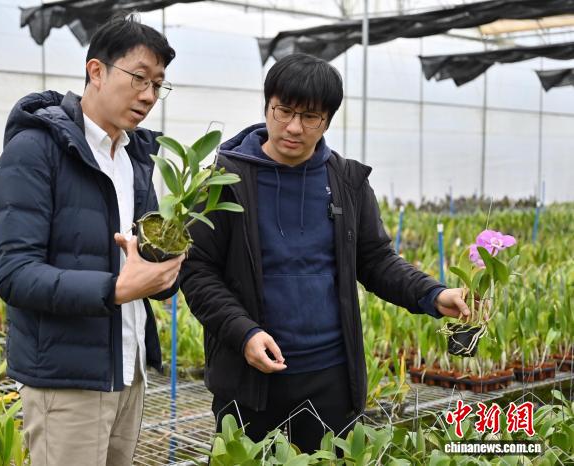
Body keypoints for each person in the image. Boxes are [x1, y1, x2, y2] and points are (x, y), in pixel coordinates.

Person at [180, 53, 471, 454]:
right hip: (250, 376)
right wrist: (243, 332)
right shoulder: (224, 181)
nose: (294, 127)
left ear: (328, 120)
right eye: (284, 111)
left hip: (330, 376)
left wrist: (433, 294)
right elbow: (197, 271)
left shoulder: (347, 182)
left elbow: (376, 259)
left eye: (310, 117)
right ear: (267, 106)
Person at [0, 15, 183, 466]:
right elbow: (15, 274)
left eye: (158, 85)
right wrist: (114, 288)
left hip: (129, 370)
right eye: (139, 78)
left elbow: (141, 262)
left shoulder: (134, 158)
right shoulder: (36, 151)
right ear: (96, 71)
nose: (149, 95)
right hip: (67, 380)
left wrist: (166, 269)